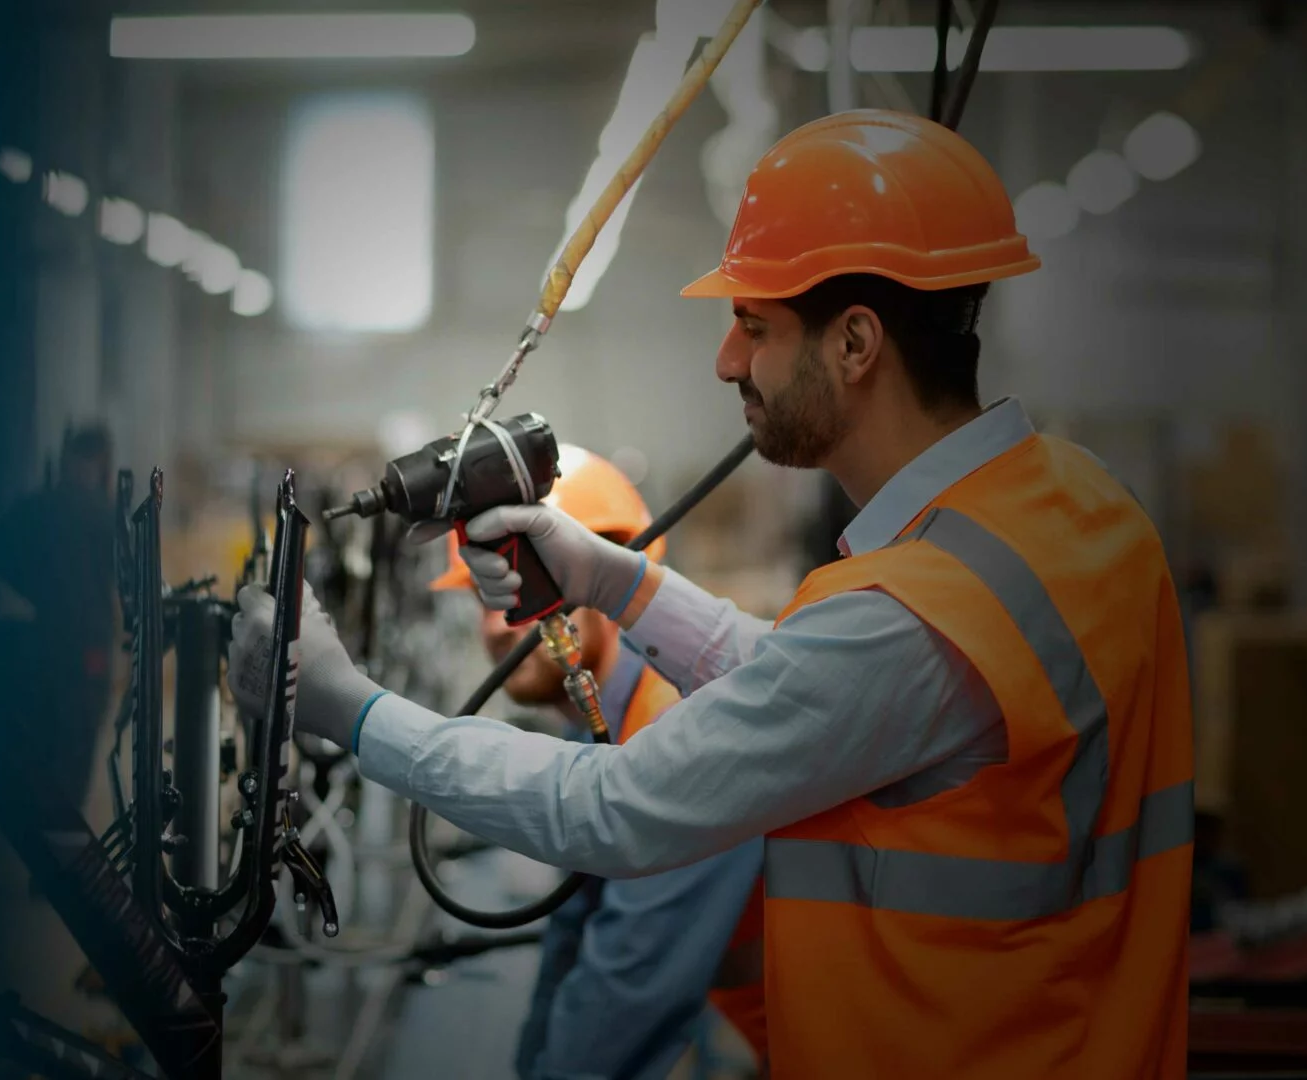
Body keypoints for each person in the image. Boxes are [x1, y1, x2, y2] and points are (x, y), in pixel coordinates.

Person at [231, 110, 1194, 1078]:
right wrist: (617, 579)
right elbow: (811, 693)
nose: (727, 362)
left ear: (856, 342)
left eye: (754, 325)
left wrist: (348, 710)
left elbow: (611, 810)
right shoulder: (1075, 508)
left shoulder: (920, 612)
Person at [424, 444, 762, 1080]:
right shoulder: (601, 726)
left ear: (591, 575)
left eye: (522, 580)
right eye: (482, 590)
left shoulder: (673, 726)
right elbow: (575, 929)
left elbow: (627, 989)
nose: (500, 620)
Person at [0, 422, 118, 810]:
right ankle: (64, 858)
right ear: (100, 463)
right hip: (89, 651)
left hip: (45, 641)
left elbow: (0, 550)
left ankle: (48, 851)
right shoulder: (104, 513)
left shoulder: (38, 506)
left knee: (46, 754)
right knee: (76, 755)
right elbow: (124, 579)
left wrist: (39, 593)